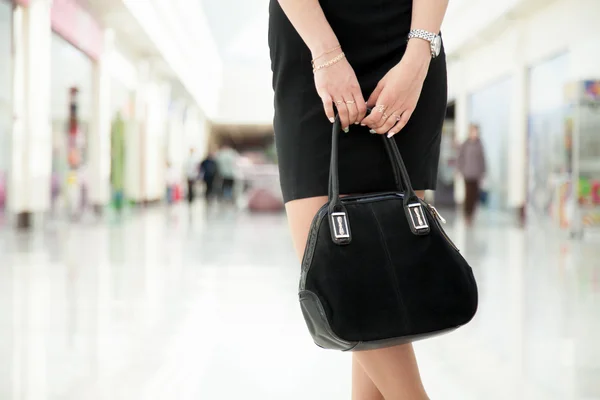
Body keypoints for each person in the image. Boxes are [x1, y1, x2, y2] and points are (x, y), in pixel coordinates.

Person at [269, 0, 448, 398]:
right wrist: (327, 54)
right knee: (340, 273)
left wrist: (419, 53)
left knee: (381, 275)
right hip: (310, 38)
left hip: (408, 43)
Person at [457, 124, 486, 226]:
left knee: (474, 195)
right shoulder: (465, 144)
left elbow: (482, 159)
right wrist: (460, 170)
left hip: (477, 174)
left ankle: (472, 215)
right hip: (467, 173)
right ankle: (466, 215)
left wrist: (483, 172)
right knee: (468, 195)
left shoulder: (479, 144)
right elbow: (460, 158)